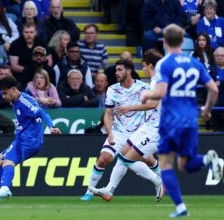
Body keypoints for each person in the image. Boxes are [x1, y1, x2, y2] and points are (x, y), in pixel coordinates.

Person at [140, 24, 224, 218]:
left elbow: (160, 92)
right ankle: (208, 160)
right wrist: (207, 110)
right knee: (185, 164)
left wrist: (147, 94)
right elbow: (214, 90)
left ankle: (180, 207)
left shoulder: (165, 63)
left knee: (166, 164)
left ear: (165, 41)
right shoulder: (194, 63)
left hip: (170, 121)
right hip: (190, 121)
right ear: (183, 41)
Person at [86, 49, 164, 202]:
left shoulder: (155, 81)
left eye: (144, 66)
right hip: (148, 126)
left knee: (128, 159)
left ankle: (159, 181)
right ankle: (109, 190)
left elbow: (153, 104)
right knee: (123, 156)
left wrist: (130, 108)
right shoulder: (157, 80)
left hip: (157, 127)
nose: (143, 69)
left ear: (150, 65)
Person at [0, 76, 61, 201]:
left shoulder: (25, 102)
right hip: (21, 139)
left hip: (30, 140)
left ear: (13, 89)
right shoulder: (14, 97)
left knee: (8, 161)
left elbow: (42, 112)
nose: (3, 96)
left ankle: (5, 189)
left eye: (5, 93)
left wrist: (51, 126)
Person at [211, 47, 224, 131]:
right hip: (215, 97)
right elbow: (210, 85)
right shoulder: (210, 70)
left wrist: (220, 83)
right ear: (214, 57)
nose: (219, 57)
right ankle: (217, 130)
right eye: (217, 56)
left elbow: (216, 84)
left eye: (222, 56)